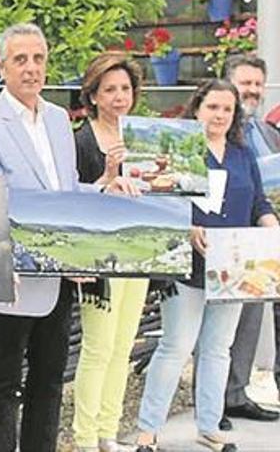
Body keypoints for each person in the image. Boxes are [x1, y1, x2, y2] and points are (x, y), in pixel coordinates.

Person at [0, 23, 136, 452]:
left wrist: (104, 186)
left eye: (38, 58)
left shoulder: (59, 120)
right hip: (13, 278)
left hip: (59, 280)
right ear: (1, 66)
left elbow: (67, 193)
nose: (31, 68)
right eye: (20, 59)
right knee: (3, 384)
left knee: (50, 381)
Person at [134, 79, 278, 452]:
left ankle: (209, 425)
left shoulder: (241, 154)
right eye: (213, 107)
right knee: (176, 345)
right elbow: (158, 198)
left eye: (227, 109)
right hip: (187, 264)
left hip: (233, 264)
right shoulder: (180, 150)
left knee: (218, 348)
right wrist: (188, 224)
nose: (220, 115)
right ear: (197, 108)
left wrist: (271, 227)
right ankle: (148, 431)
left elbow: (258, 202)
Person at [69, 53, 150, 451]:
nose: (119, 97)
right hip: (100, 258)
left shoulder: (144, 137)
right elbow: (75, 201)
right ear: (94, 96)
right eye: (110, 90)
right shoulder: (82, 140)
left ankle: (107, 433)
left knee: (123, 347)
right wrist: (108, 176)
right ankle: (84, 438)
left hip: (139, 254)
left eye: (125, 89)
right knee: (98, 347)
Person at [219, 54, 280, 429]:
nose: (253, 91)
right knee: (222, 327)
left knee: (251, 322)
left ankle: (237, 393)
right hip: (229, 239)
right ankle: (215, 400)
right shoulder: (218, 128)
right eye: (246, 84)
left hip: (263, 238)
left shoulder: (266, 132)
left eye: (258, 84)